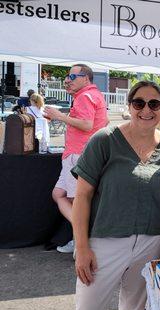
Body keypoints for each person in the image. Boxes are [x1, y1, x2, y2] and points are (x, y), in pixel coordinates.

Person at [61, 81, 160, 310]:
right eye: (139, 103)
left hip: (150, 242)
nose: (146, 110)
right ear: (128, 105)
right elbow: (82, 196)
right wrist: (81, 247)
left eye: (154, 104)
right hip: (103, 243)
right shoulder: (104, 140)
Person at [44, 64, 108, 253]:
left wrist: (59, 116)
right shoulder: (94, 95)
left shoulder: (85, 96)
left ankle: (83, 238)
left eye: (72, 77)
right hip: (78, 154)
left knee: (75, 201)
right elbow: (103, 122)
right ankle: (81, 235)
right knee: (59, 194)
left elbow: (87, 125)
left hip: (78, 156)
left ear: (85, 78)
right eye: (67, 77)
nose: (67, 80)